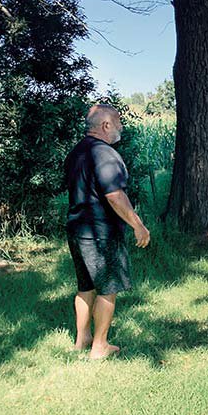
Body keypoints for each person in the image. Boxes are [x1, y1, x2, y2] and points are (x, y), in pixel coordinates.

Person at [64, 104, 150, 360]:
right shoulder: (105, 153)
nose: (121, 127)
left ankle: (83, 340)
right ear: (105, 125)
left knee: (85, 287)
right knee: (107, 288)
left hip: (77, 229)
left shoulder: (77, 151)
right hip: (101, 233)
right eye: (118, 122)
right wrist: (138, 225)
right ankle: (99, 346)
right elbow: (114, 195)